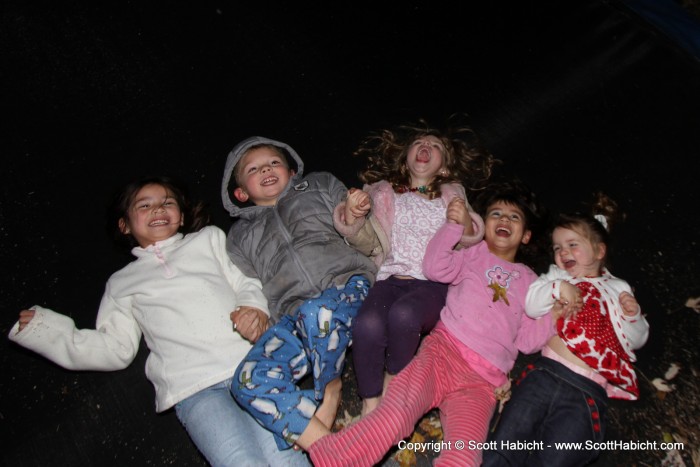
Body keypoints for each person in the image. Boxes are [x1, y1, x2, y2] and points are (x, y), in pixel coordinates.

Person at [7, 176, 310, 467]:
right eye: (144, 205)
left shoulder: (209, 240)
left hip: (254, 368)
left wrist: (253, 308)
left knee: (285, 457)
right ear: (124, 225)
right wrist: (47, 331)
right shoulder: (122, 282)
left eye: (167, 203)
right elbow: (115, 347)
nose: (158, 210)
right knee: (240, 462)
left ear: (181, 215)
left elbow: (246, 279)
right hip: (194, 390)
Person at [306, 180, 557, 466]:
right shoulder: (473, 254)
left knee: (465, 456)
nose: (504, 220)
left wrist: (555, 314)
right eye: (496, 214)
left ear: (525, 235)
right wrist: (453, 228)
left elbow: (527, 340)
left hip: (482, 382)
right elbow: (435, 268)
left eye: (514, 217)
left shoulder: (532, 282)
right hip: (442, 354)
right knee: (395, 414)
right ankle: (335, 459)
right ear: (483, 225)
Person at [220, 136, 377, 451]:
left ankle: (329, 389)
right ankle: (327, 448)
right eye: (254, 168)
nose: (266, 169)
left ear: (292, 171)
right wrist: (252, 314)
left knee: (317, 312)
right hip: (296, 316)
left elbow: (351, 222)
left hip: (347, 288)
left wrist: (353, 209)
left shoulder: (317, 185)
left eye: (274, 162)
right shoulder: (239, 237)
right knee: (247, 381)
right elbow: (251, 281)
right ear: (241, 192)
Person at [334, 119, 497, 416]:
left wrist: (463, 221)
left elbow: (471, 239)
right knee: (366, 324)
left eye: (435, 146)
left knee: (404, 315)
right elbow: (365, 241)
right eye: (419, 143)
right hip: (389, 279)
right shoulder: (382, 193)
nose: (426, 147)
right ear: (406, 156)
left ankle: (395, 379)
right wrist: (352, 214)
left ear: (444, 168)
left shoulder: (451, 195)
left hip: (432, 285)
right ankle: (370, 402)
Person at [482, 193, 650, 467]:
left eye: (573, 245)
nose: (563, 253)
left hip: (586, 392)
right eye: (557, 248)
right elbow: (532, 305)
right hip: (545, 373)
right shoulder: (557, 276)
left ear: (599, 251)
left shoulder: (618, 288)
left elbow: (635, 341)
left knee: (556, 458)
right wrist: (557, 288)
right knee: (506, 442)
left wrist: (633, 318)